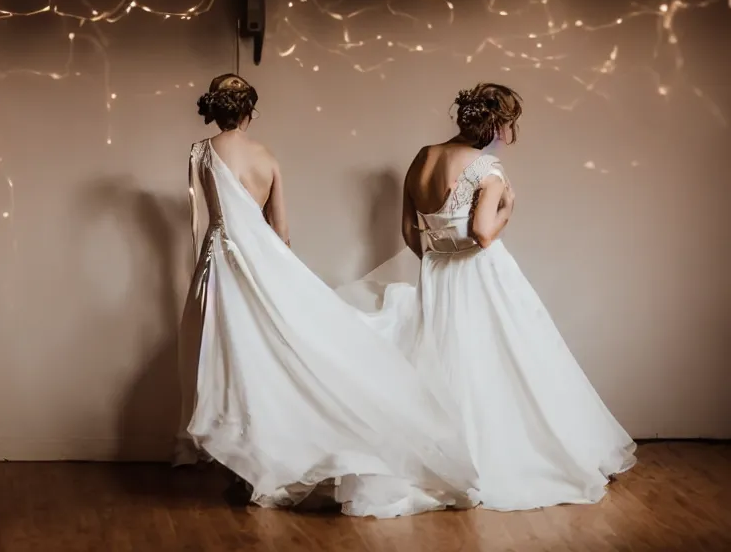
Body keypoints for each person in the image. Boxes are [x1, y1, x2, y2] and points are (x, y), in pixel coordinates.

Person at [171, 73, 480, 518]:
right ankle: (259, 459)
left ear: (213, 109)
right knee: (269, 355)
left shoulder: (201, 152)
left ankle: (243, 464)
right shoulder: (267, 158)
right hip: (262, 264)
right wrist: (275, 274)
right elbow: (281, 231)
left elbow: (201, 219)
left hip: (218, 262)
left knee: (230, 357)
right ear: (250, 112)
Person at [340, 82, 637, 511]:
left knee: (447, 361)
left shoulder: (423, 157)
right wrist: (507, 210)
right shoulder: (488, 169)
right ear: (497, 124)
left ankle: (450, 459)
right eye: (510, 124)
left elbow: (410, 232)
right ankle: (497, 459)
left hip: (437, 273)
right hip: (480, 274)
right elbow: (481, 234)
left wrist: (437, 259)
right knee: (508, 356)